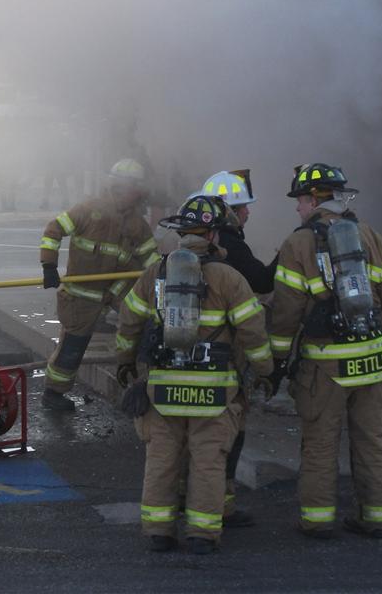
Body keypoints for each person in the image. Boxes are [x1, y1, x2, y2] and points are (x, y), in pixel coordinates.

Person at [114, 195, 278, 554]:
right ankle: (202, 534)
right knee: (208, 461)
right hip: (214, 391)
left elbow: (129, 321)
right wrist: (267, 372)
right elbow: (253, 333)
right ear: (214, 235)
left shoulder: (156, 273)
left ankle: (159, 530)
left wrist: (125, 362)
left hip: (163, 386)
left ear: (182, 234)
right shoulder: (229, 278)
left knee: (162, 458)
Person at [270, 163, 382, 540]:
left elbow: (286, 311)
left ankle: (317, 521)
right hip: (376, 362)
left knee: (319, 444)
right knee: (372, 442)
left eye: (299, 200)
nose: (298, 209)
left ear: (314, 199)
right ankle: (376, 518)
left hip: (326, 367)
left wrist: (277, 360)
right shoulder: (369, 235)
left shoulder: (297, 243)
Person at [38, 159, 160, 411]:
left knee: (144, 323)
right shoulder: (88, 210)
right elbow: (54, 229)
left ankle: (143, 386)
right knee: (73, 346)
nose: (133, 194)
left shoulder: (137, 224)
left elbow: (152, 261)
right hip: (81, 297)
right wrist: (48, 265)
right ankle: (53, 393)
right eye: (128, 188)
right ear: (117, 187)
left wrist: (167, 281)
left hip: (114, 291)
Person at [198, 169, 280, 528]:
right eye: (243, 207)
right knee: (230, 428)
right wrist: (284, 256)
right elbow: (261, 281)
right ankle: (222, 506)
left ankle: (184, 505)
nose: (247, 213)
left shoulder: (191, 247)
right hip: (226, 354)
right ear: (228, 212)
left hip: (191, 353)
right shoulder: (234, 245)